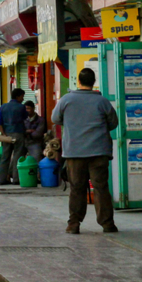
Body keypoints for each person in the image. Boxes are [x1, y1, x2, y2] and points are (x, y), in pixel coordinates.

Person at [51, 68, 120, 234]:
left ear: (79, 82)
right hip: (99, 152)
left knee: (76, 188)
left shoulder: (66, 100)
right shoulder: (102, 101)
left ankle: (73, 224)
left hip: (74, 153)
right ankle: (108, 224)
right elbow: (113, 123)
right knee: (101, 188)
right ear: (93, 82)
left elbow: (55, 119)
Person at [0, 88, 28, 185]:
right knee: (17, 156)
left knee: (5, 157)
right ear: (18, 96)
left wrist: (4, 134)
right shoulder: (21, 107)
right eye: (22, 96)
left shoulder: (3, 107)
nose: (23, 99)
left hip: (7, 135)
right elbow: (25, 118)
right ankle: (16, 179)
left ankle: (1, 179)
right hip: (19, 134)